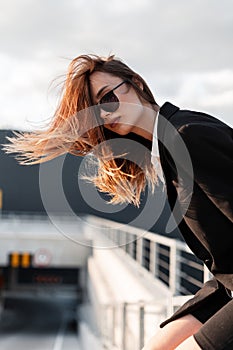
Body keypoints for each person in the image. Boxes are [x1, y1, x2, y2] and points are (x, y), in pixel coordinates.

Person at [4, 54, 233, 349]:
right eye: (96, 111)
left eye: (108, 98)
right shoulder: (166, 147)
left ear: (135, 83)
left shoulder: (186, 135)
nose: (106, 114)